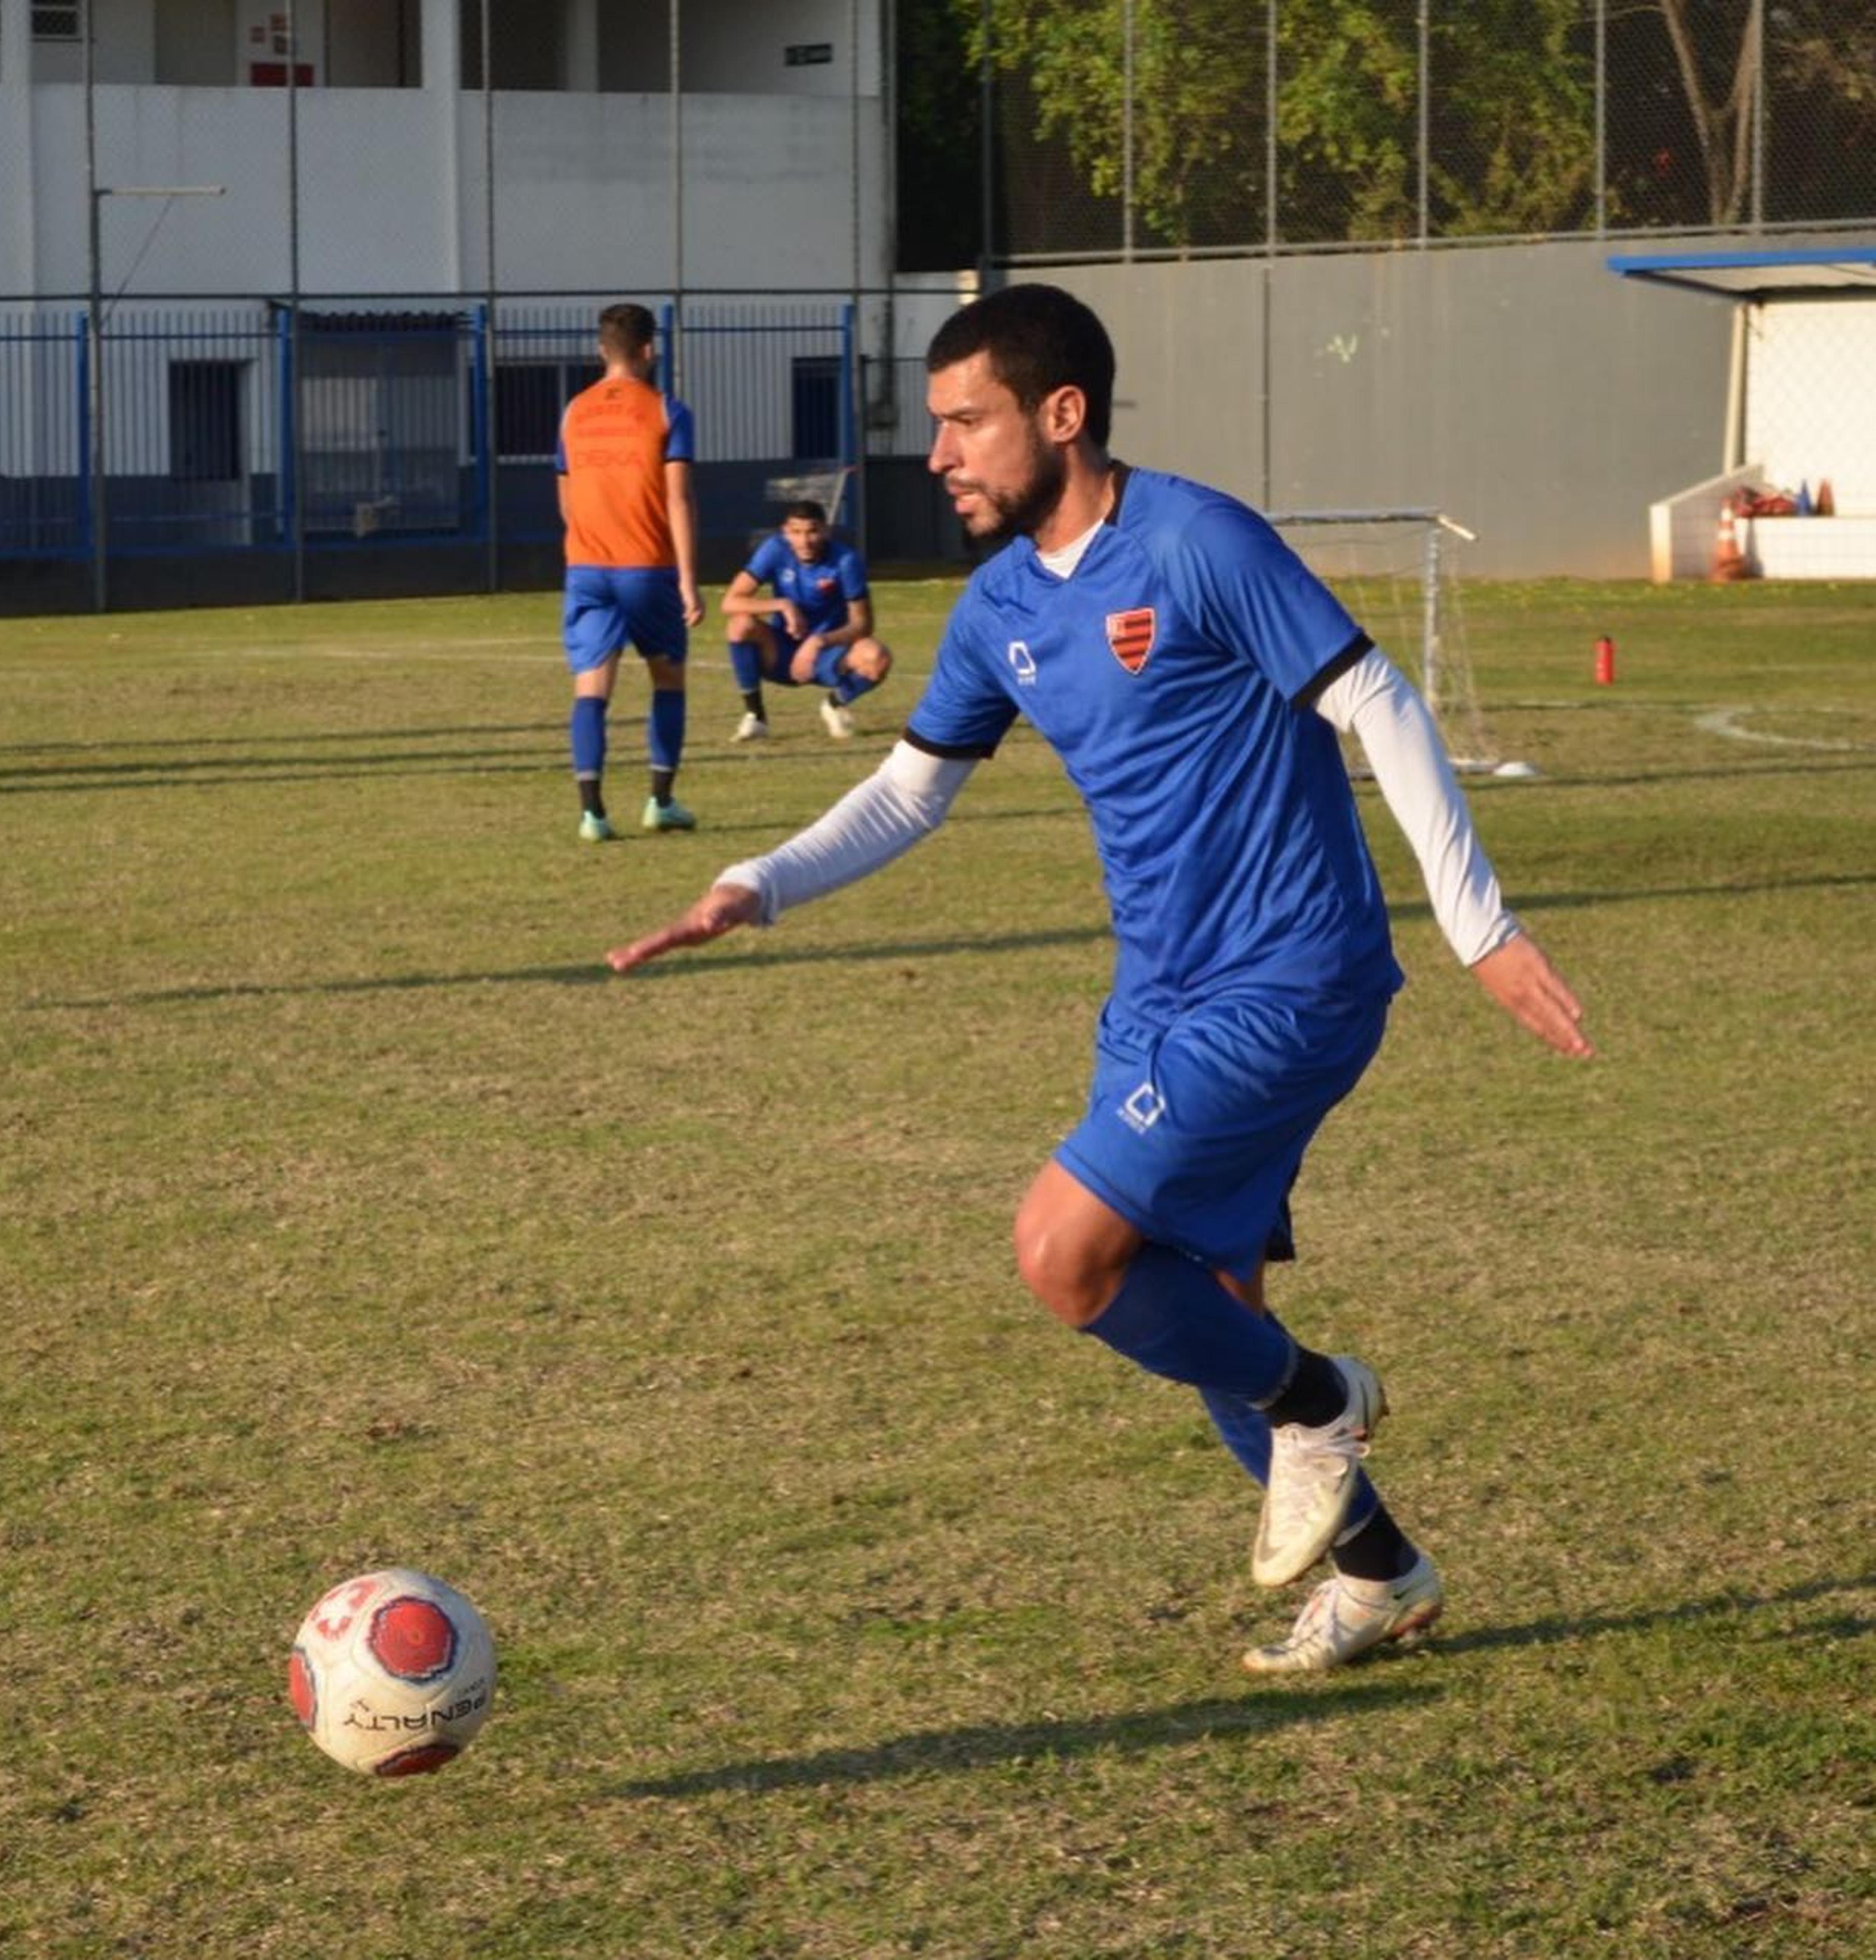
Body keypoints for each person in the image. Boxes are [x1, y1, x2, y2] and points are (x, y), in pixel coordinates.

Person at [606, 284, 1592, 1672]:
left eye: (966, 421)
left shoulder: (1196, 541)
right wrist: (756, 888)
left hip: (1291, 975)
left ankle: (1322, 1397)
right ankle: (1378, 1570)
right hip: (1157, 999)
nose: (938, 453)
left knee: (1064, 1253)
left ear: (1061, 415)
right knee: (1198, 1305)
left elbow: (1377, 697)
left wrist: (1478, 928)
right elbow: (908, 795)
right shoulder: (1001, 603)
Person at [555, 302, 705, 842]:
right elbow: (679, 499)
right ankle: (660, 802)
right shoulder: (667, 411)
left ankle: (592, 814)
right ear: (649, 350)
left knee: (592, 689)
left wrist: (590, 542)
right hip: (648, 568)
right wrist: (688, 579)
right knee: (668, 681)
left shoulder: (573, 413)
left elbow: (566, 499)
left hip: (588, 568)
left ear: (602, 351)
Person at [721, 500, 894, 741]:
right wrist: (783, 605)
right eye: (797, 532)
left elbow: (863, 624)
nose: (805, 541)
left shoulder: (846, 561)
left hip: (829, 654)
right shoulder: (775, 550)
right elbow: (730, 602)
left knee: (877, 657)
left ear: (826, 531)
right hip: (783, 652)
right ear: (786, 532)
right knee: (740, 625)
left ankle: (834, 704)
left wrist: (819, 642)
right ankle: (756, 717)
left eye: (813, 531)